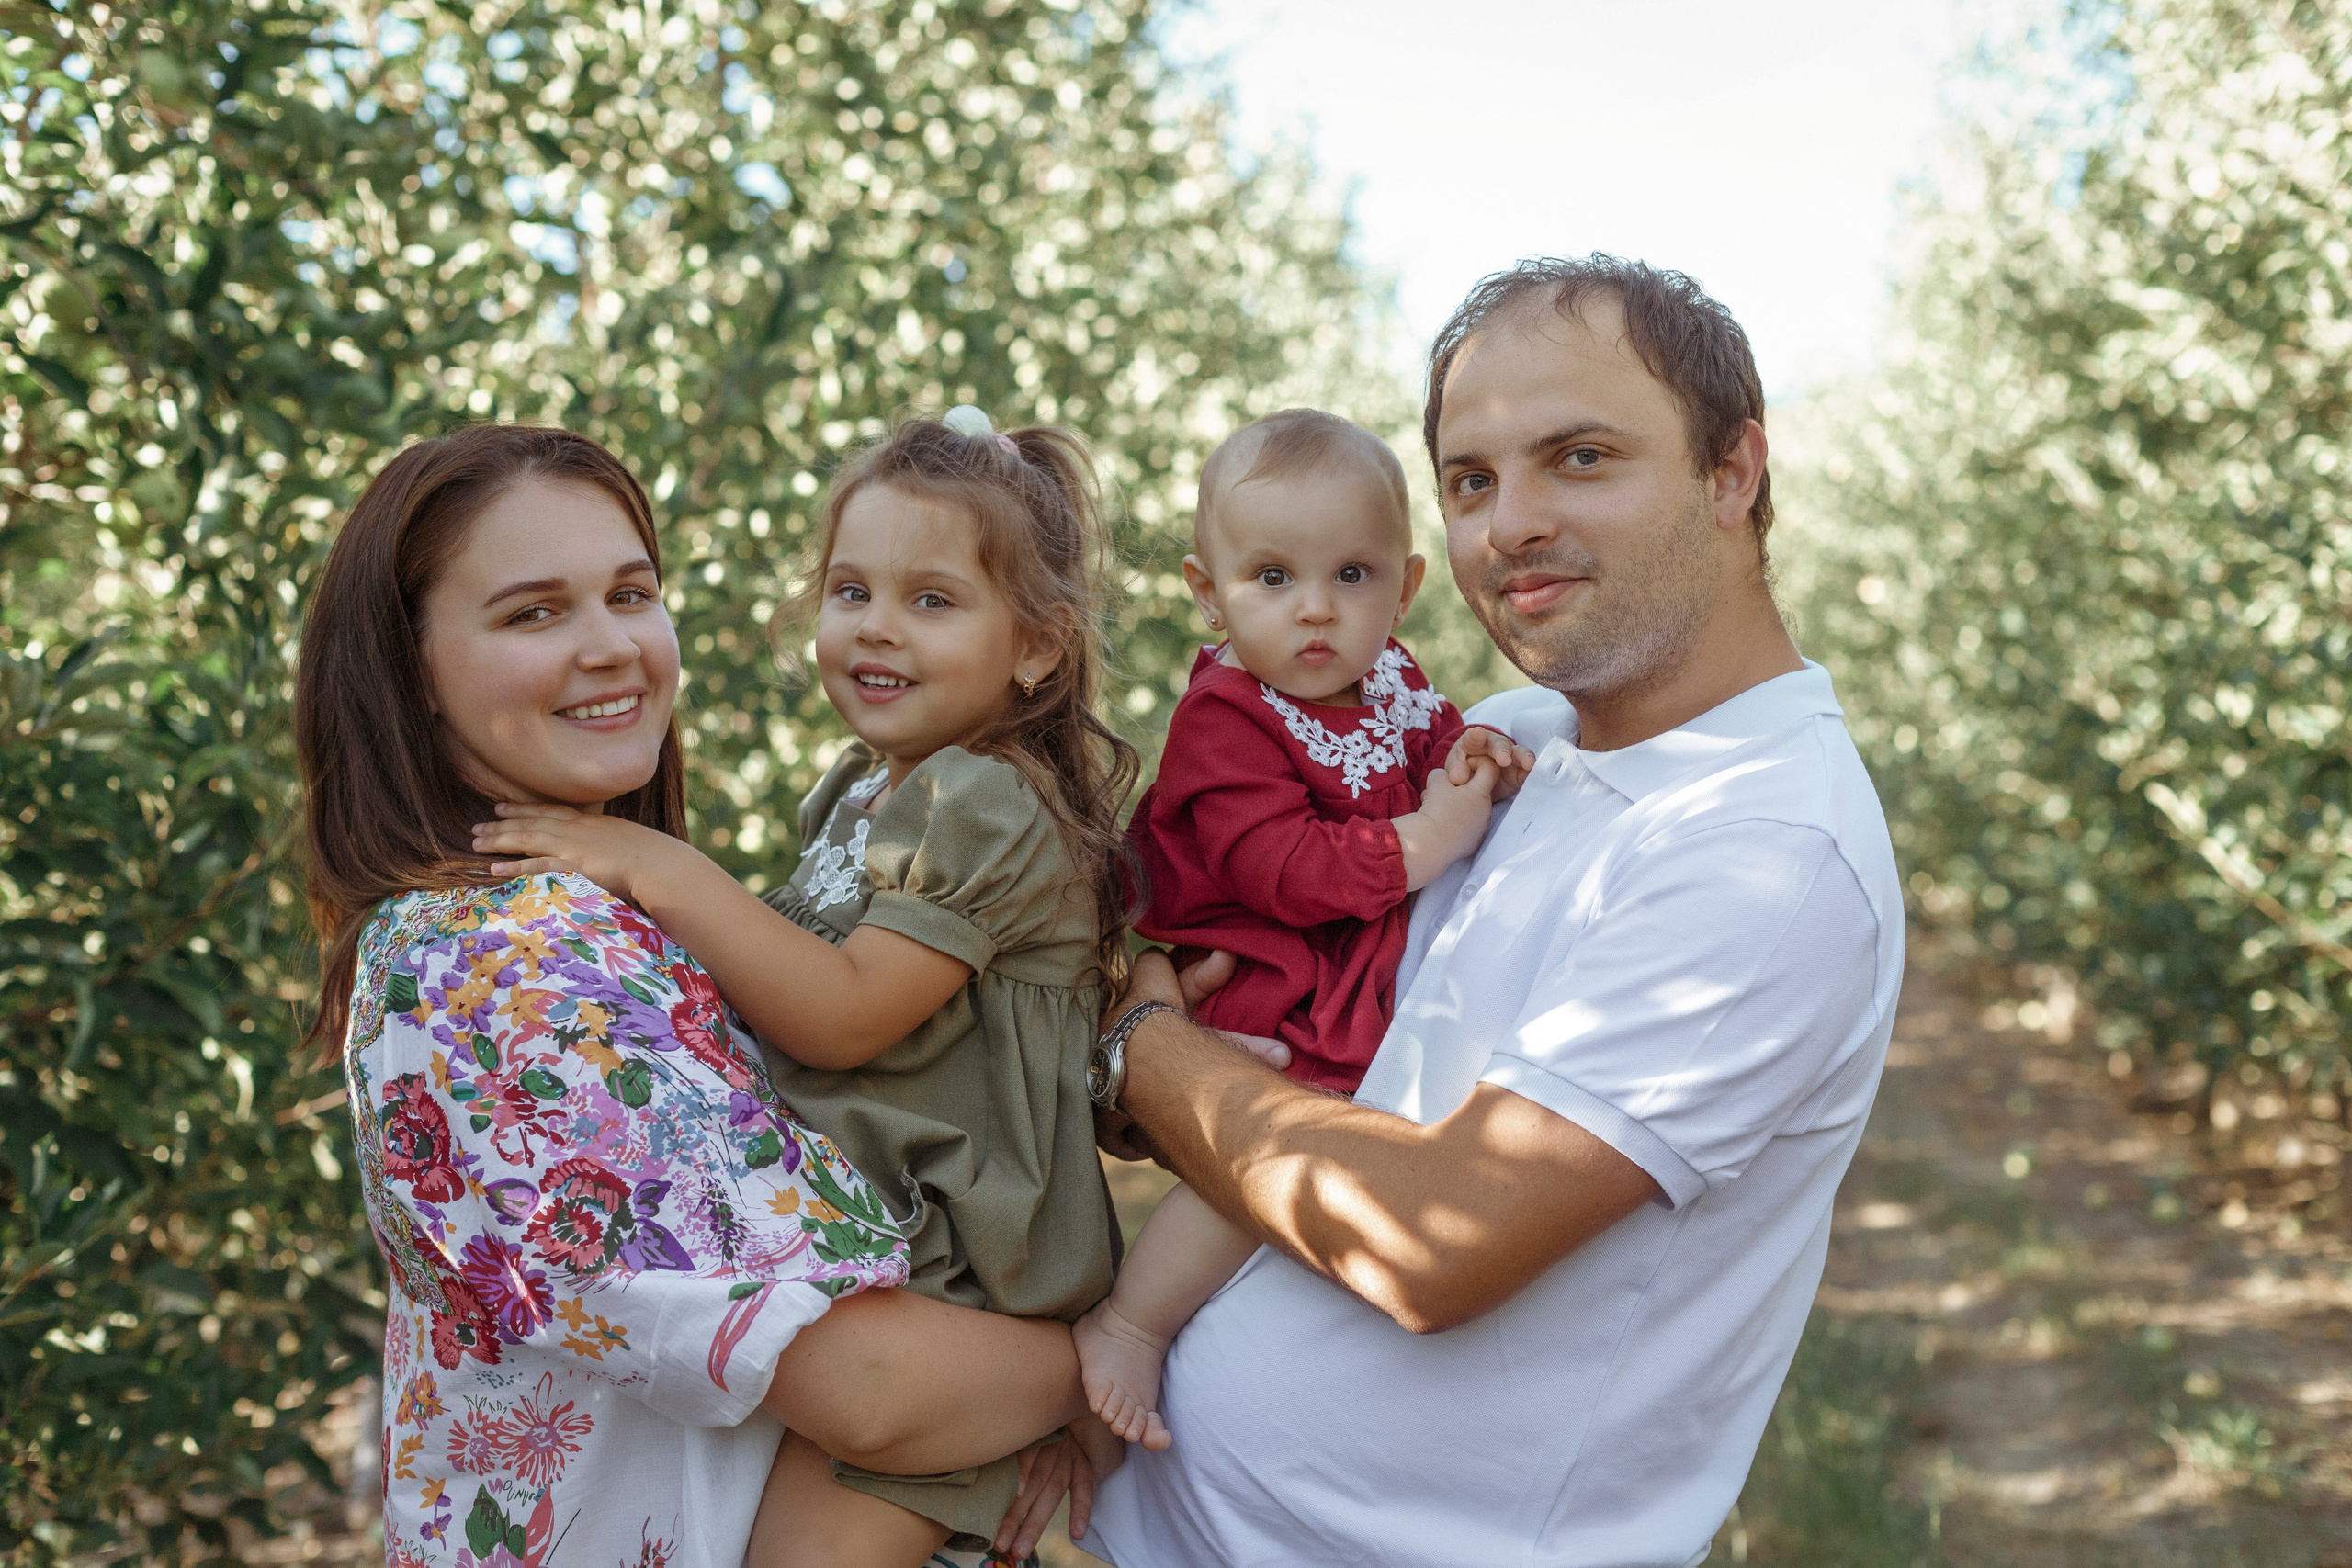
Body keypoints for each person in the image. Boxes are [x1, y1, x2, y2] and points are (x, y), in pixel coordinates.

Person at [1081, 255, 1906, 1567]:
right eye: (1471, 480)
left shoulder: (1767, 850)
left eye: (1579, 456)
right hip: (1156, 1518)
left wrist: (1142, 1038)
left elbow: (1427, 1238)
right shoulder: (1509, 750)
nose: (1509, 521)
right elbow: (1269, 1004)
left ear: (1733, 471)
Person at [297, 424, 1100, 1568]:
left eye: (631, 593)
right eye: (533, 613)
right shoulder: (506, 964)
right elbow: (875, 1392)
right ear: (408, 671)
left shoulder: (583, 912)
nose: (611, 647)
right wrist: (1105, 1358)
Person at [1073, 408, 1527, 1450]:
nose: (1315, 612)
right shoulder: (1226, 715)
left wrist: (1475, 754)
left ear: (1403, 588)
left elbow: (1427, 736)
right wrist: (1426, 840)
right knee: (1276, 1125)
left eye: (1352, 578)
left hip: (1334, 943)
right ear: (1210, 591)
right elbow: (1269, 864)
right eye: (1272, 579)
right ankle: (1130, 1323)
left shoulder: (1391, 676)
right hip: (1258, 955)